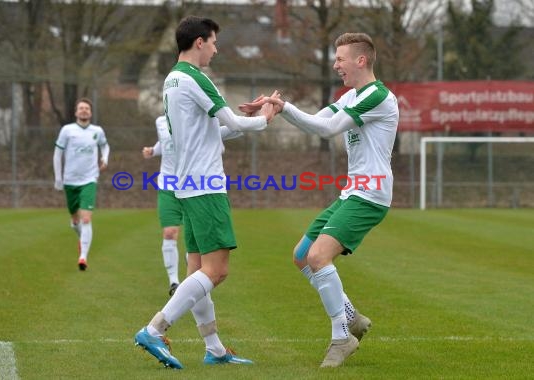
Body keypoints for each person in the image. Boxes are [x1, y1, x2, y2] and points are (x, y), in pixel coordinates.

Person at [240, 32, 399, 368]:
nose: (335, 64)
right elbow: (320, 122)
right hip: (353, 190)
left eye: (340, 58)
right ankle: (352, 317)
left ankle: (342, 337)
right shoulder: (351, 96)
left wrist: (283, 107)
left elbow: (328, 131)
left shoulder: (378, 97)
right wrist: (279, 110)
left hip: (370, 194)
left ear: (361, 60)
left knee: (317, 256)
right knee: (301, 255)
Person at [134, 16, 276, 369]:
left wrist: (245, 121)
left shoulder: (172, 79)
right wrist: (267, 115)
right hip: (205, 185)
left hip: (186, 184)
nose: (215, 48)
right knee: (216, 271)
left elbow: (213, 131)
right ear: (199, 42)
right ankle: (155, 328)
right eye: (213, 42)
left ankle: (214, 349)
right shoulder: (197, 78)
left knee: (197, 268)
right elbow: (235, 123)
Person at [142, 115, 243, 297]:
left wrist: (253, 120)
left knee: (195, 247)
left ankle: (196, 281)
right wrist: (153, 150)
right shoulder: (160, 121)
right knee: (170, 232)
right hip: (168, 185)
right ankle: (174, 281)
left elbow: (226, 132)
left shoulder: (197, 120)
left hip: (193, 186)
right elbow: (166, 142)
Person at [53, 98, 110, 271]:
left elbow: (105, 147)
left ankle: (83, 256)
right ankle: (82, 239)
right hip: (70, 180)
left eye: (87, 108)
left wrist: (104, 158)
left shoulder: (97, 131)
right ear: (76, 112)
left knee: (86, 218)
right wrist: (58, 178)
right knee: (75, 220)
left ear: (90, 112)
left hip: (89, 179)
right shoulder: (67, 130)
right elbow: (57, 154)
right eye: (81, 108)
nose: (84, 110)